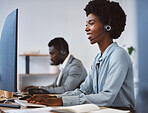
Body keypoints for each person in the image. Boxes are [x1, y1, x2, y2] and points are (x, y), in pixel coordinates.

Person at [27, 0, 135, 111]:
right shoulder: (98, 58)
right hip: (104, 109)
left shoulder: (119, 55)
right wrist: (55, 97)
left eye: (91, 23)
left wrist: (61, 101)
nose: (86, 29)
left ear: (108, 27)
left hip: (120, 110)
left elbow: (106, 97)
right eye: (86, 24)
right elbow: (83, 91)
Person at [22, 37, 87, 94]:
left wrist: (40, 89)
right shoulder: (63, 65)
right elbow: (55, 86)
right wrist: (38, 89)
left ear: (63, 52)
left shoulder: (75, 66)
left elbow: (66, 90)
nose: (50, 58)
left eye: (52, 54)